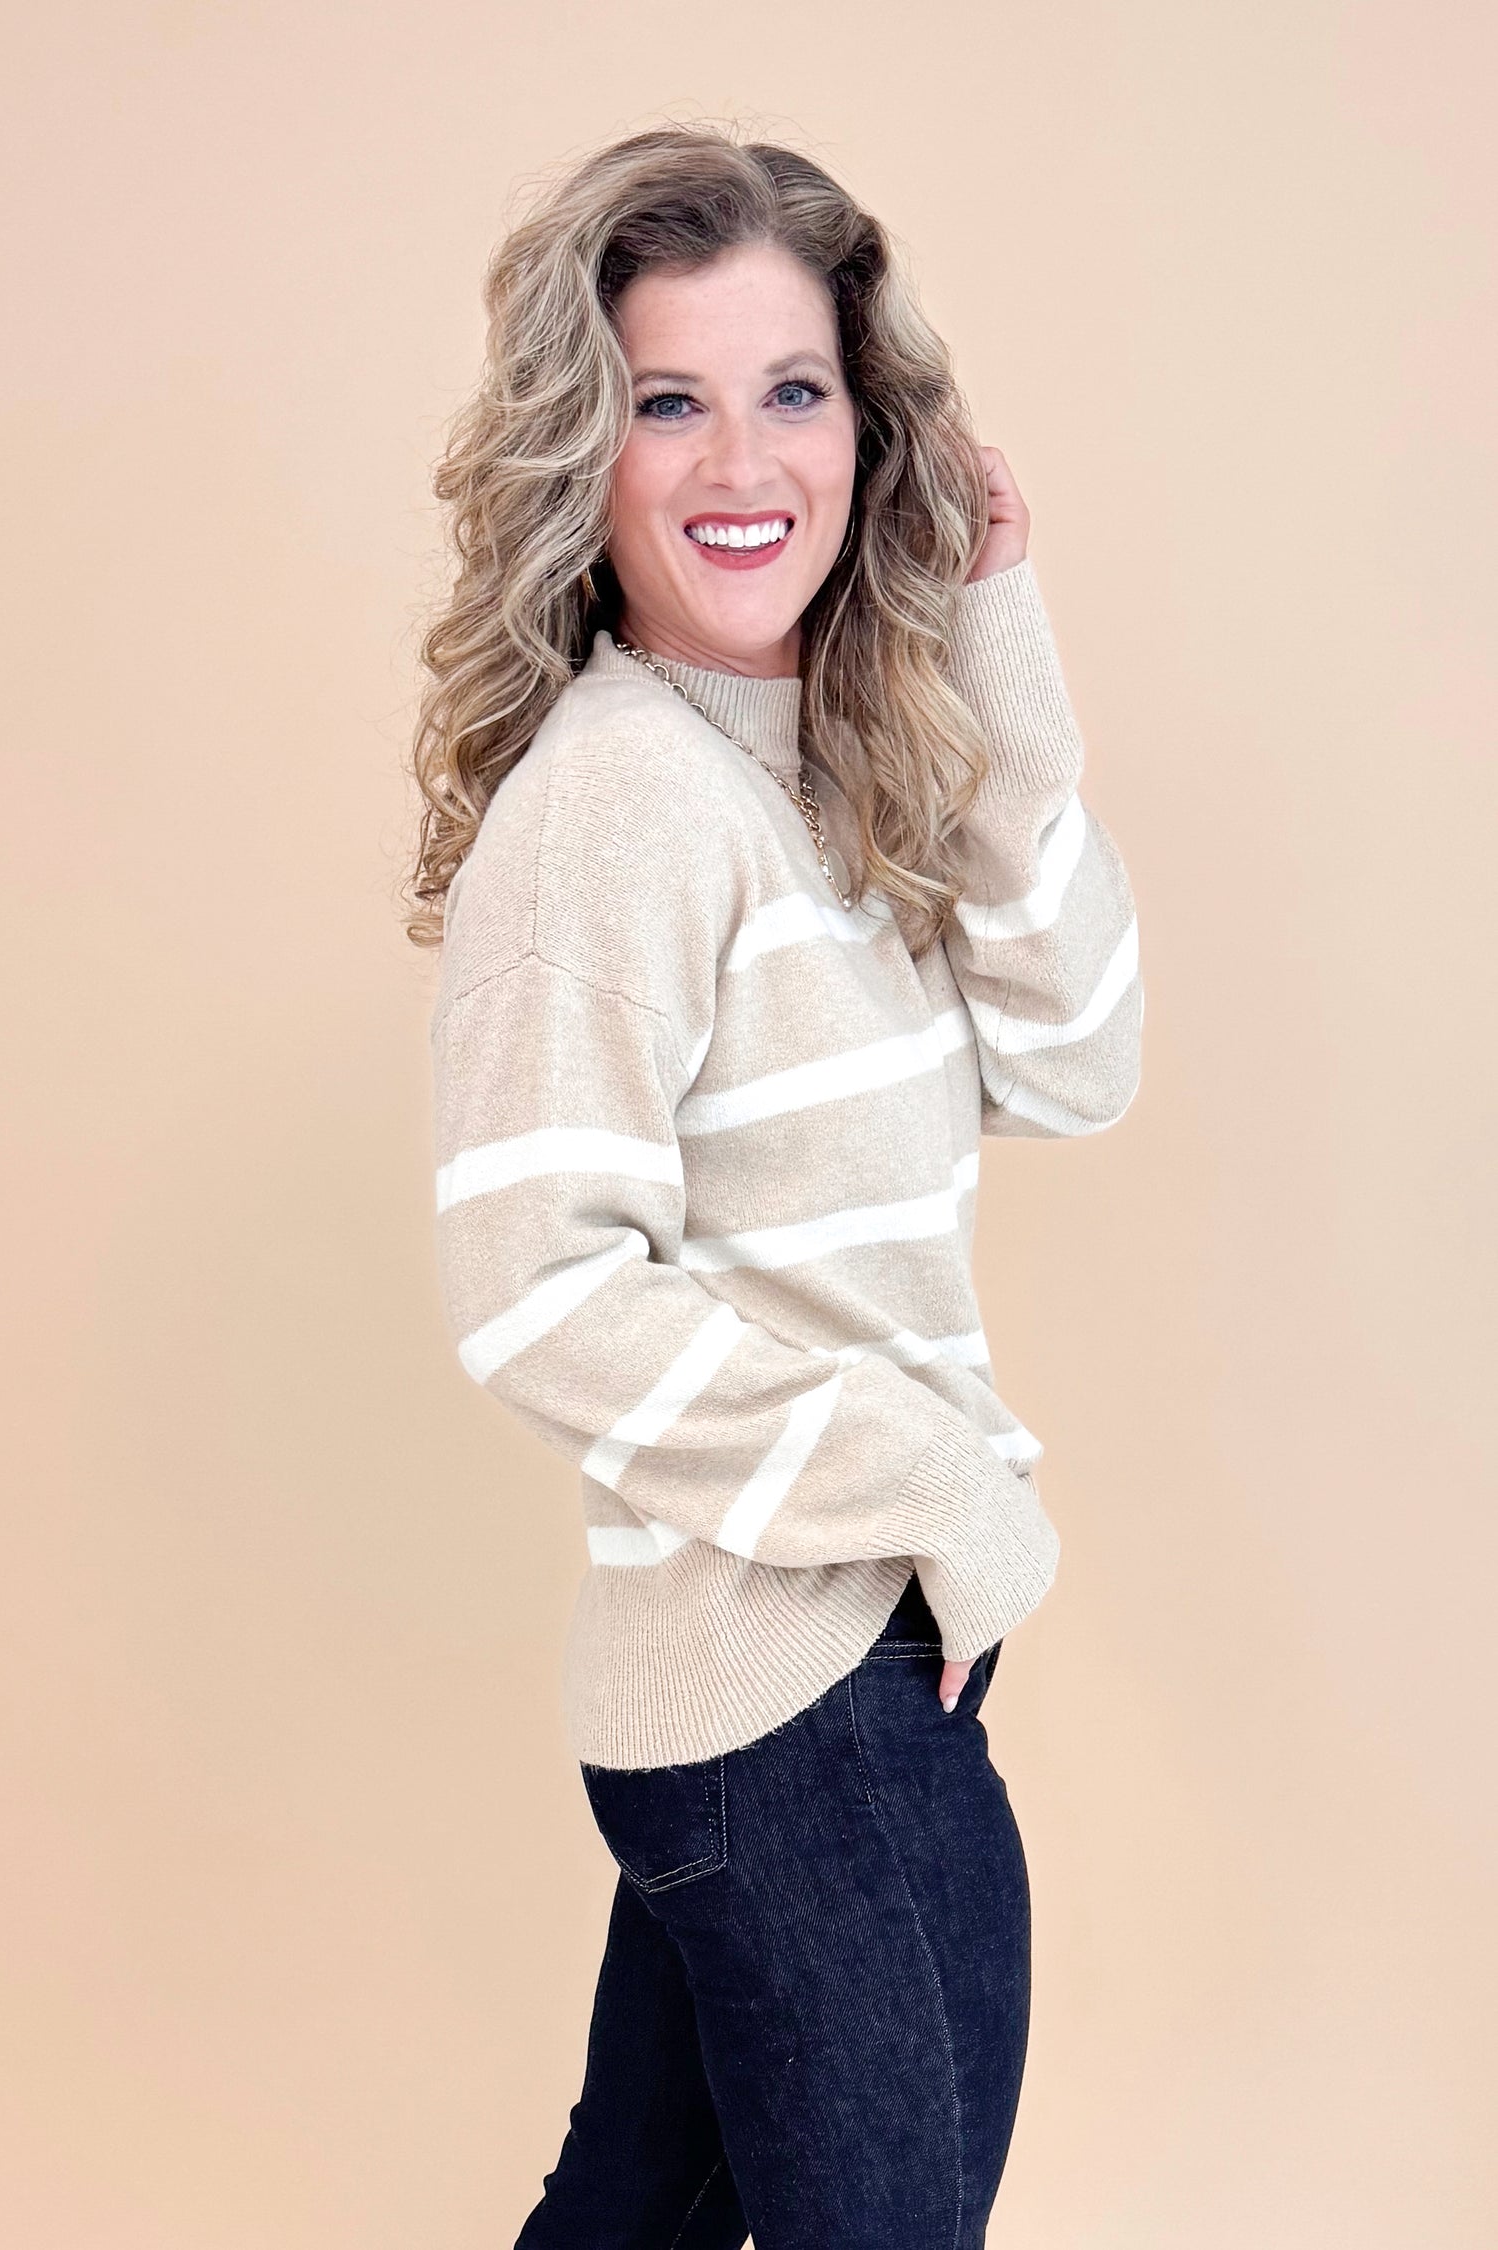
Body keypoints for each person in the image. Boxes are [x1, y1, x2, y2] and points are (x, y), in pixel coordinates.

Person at [406, 121, 1142, 2250]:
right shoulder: (622, 804)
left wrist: (993, 628)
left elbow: (1079, 1056)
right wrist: (929, 1491)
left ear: (866, 422)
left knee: (621, 2221)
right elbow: (539, 1281)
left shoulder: (838, 758)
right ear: (588, 446)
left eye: (793, 389)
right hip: (788, 1697)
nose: (745, 458)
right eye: (669, 398)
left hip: (820, 1669)